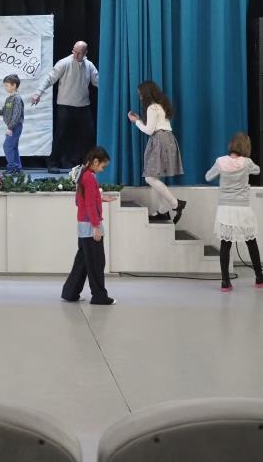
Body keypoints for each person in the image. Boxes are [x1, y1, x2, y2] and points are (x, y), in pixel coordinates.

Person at [205, 132, 263, 292]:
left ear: (231, 145)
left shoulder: (220, 161)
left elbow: (208, 177)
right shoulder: (247, 163)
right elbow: (257, 170)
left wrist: (222, 175)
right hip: (242, 208)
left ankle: (225, 282)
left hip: (225, 209)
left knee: (225, 244)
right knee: (251, 242)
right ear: (246, 147)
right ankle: (259, 276)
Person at [30, 41, 99, 173]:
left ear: (85, 53)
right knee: (60, 135)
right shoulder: (64, 63)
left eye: (79, 53)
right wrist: (38, 93)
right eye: (74, 51)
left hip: (83, 106)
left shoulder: (89, 65)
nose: (75, 54)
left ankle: (89, 165)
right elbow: (50, 78)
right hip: (65, 106)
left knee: (89, 136)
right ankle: (52, 163)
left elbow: (97, 81)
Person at [61, 146, 117, 305]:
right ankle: (99, 296)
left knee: (83, 262)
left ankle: (70, 293)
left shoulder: (83, 175)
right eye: (102, 166)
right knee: (96, 263)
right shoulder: (90, 178)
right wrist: (96, 227)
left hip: (83, 225)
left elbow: (80, 201)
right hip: (91, 226)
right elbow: (90, 205)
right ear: (96, 161)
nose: (102, 170)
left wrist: (100, 198)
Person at [127, 80, 187, 226]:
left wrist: (136, 122)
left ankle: (175, 203)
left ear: (147, 94)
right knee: (155, 176)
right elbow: (154, 126)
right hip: (167, 139)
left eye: (141, 94)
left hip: (159, 140)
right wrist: (140, 120)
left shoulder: (152, 107)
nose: (140, 97)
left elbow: (149, 130)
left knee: (149, 177)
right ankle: (162, 211)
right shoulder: (160, 106)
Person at [0, 74, 25, 175]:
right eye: (5, 86)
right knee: (13, 147)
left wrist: (10, 127)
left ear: (14, 85)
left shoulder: (17, 98)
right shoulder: (9, 99)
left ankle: (12, 167)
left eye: (7, 85)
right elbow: (3, 112)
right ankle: (17, 168)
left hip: (15, 126)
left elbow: (16, 115)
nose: (5, 88)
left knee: (7, 146)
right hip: (12, 126)